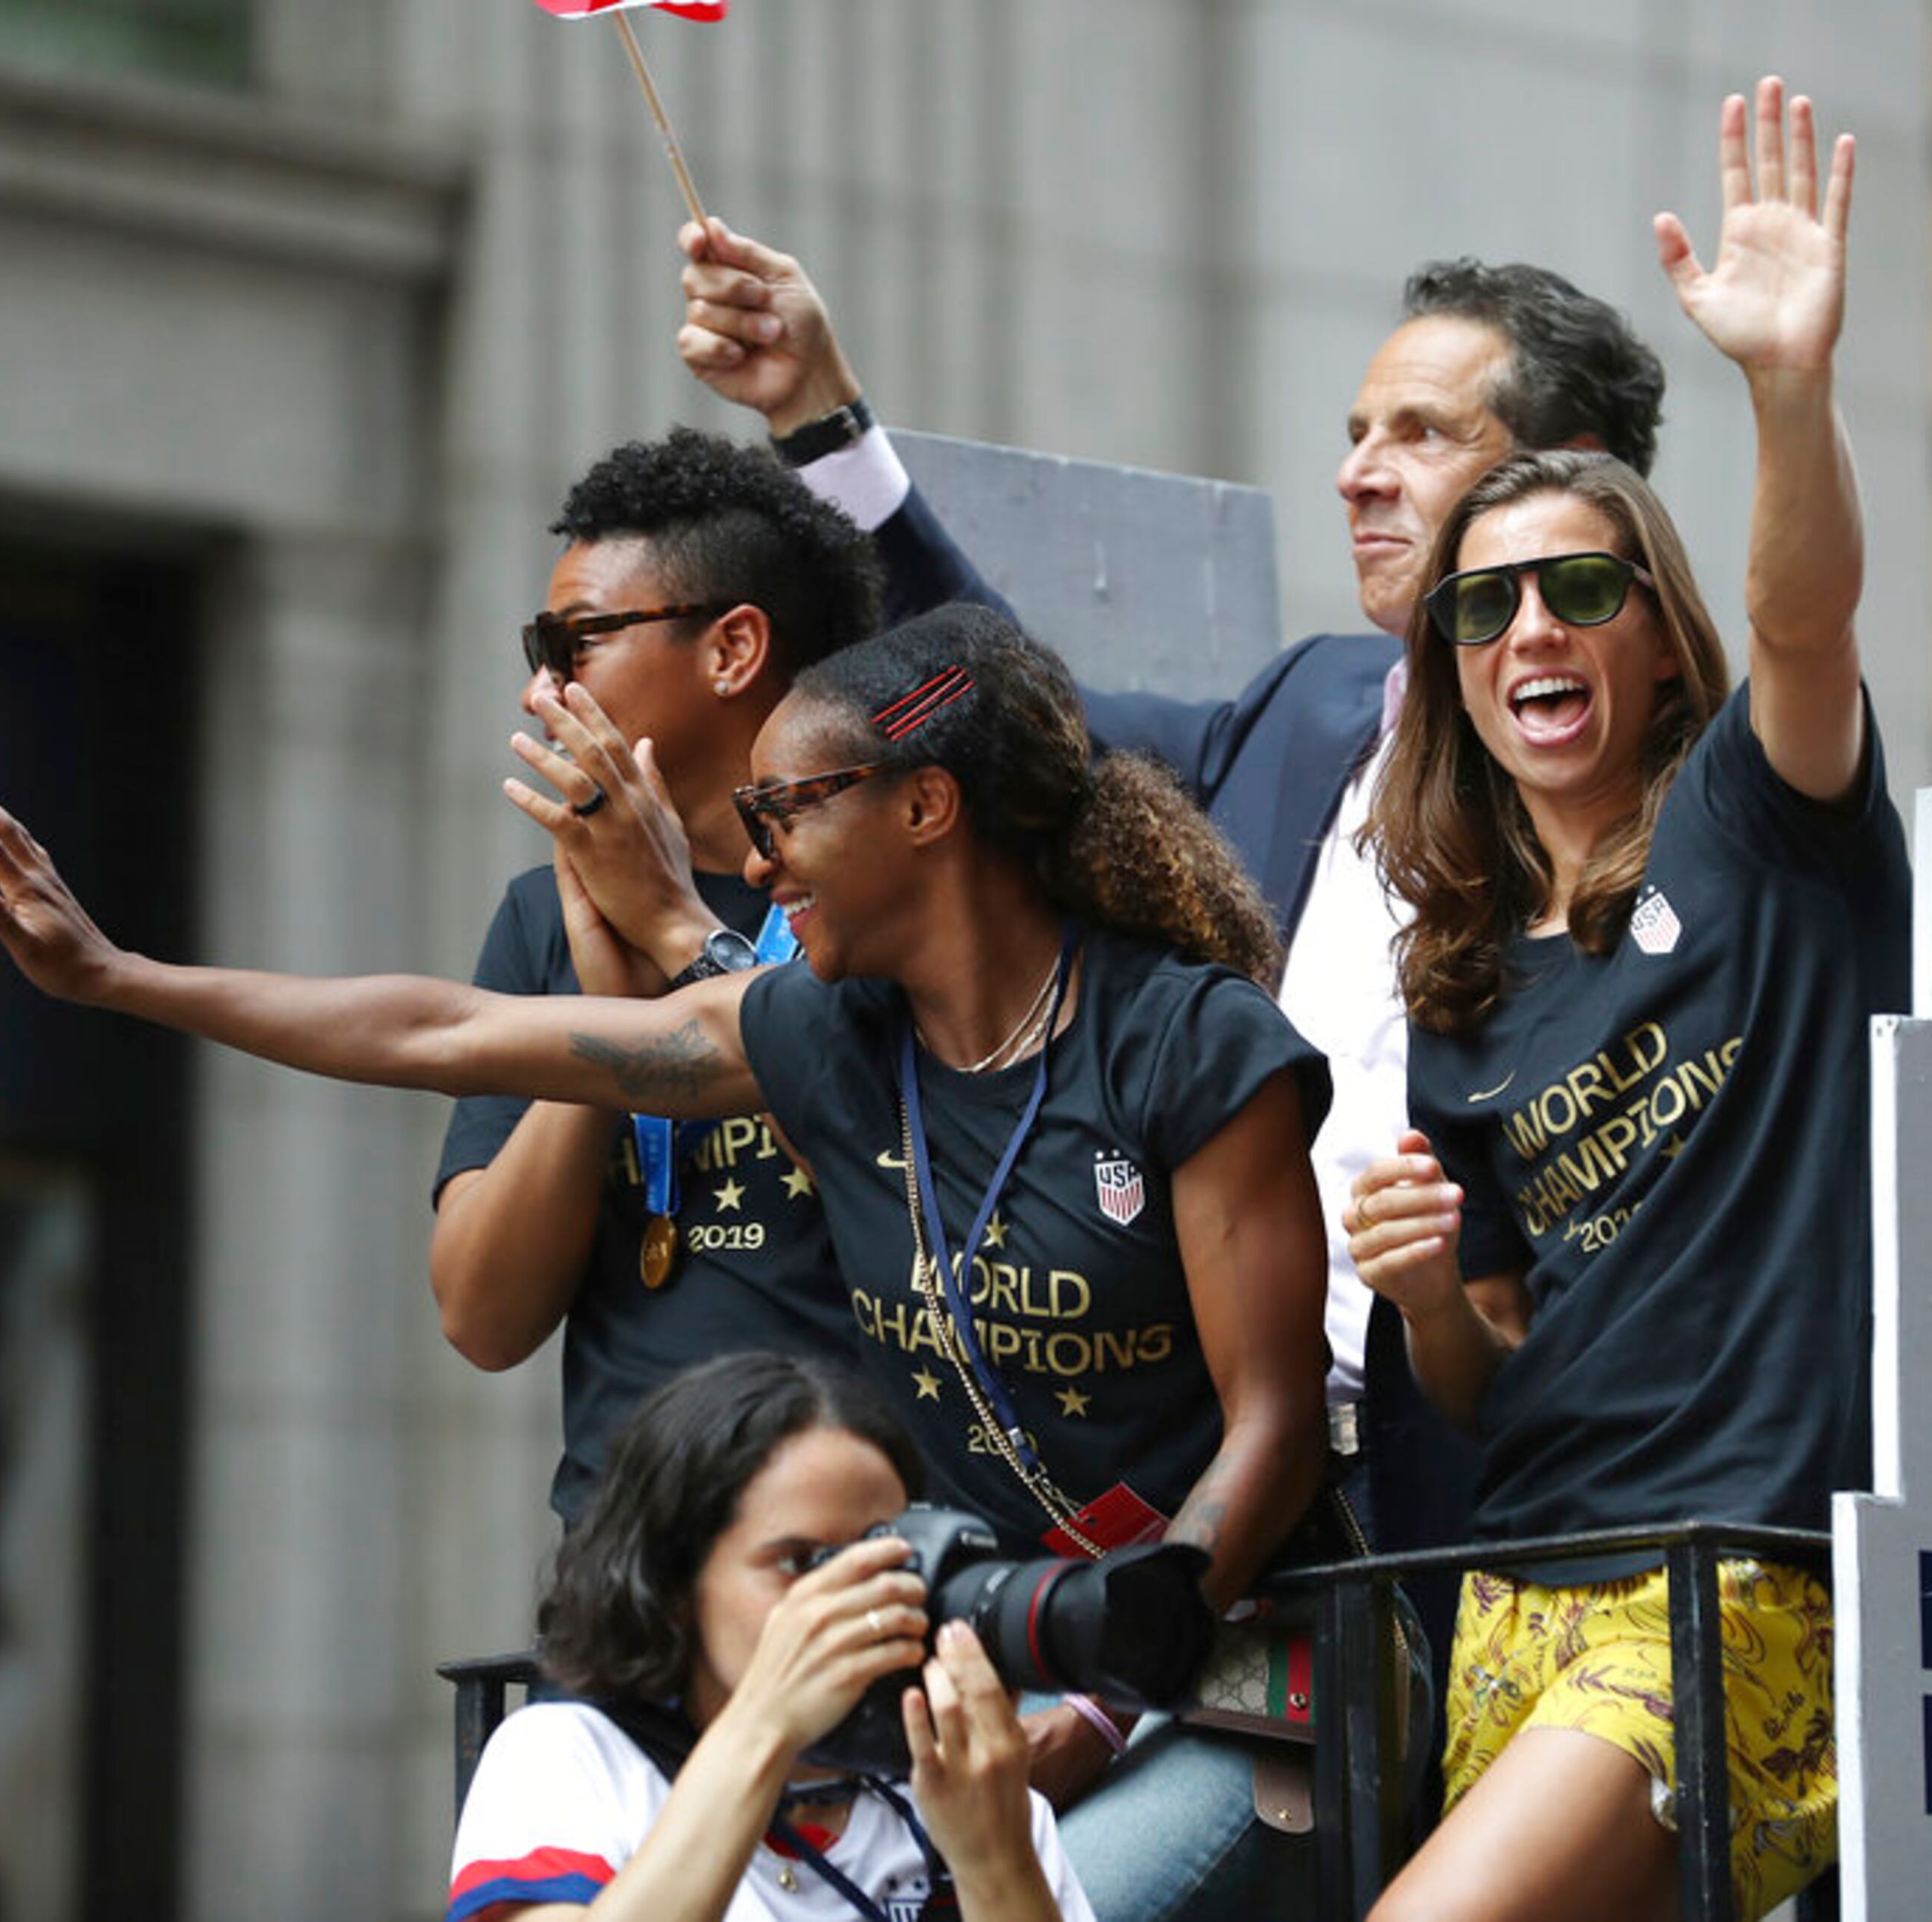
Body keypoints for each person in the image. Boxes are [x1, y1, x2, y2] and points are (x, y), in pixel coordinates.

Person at [0, 603, 1329, 1922]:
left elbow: (1274, 1425)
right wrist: (126, 980)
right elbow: (449, 1032)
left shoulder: (1188, 1045)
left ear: (925, 805)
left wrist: (1113, 1667)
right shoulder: (826, 1041)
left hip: (1227, 1666)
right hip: (982, 1640)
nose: (761, 857)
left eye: (787, 810)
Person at [666, 201, 1669, 1577]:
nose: (1358, 476)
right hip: (1236, 1488)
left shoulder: (1670, 818)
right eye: (1355, 434)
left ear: (1578, 484)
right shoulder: (1311, 706)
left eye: (1420, 435)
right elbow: (994, 707)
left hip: (1516, 1509)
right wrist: (821, 419)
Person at [1340, 81, 1903, 1922]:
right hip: (1517, 1586)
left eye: (1579, 589)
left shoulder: (1758, 822)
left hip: (1739, 1581)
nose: (1528, 634)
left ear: (1656, 629)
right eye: (1482, 610)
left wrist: (1784, 387)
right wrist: (1425, 1290)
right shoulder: (1461, 974)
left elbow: (1807, 617)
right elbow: (1481, 1371)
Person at [441, 427, 983, 1524]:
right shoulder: (543, 914)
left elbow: (943, 1234)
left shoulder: (893, 881)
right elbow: (482, 1317)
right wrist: (602, 1034)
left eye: (578, 637)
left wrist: (685, 940)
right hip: (623, 1564)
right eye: (537, 643)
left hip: (858, 1543)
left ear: (733, 650)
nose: (545, 681)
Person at [446, 1350, 1093, 1920]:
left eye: (885, 1556)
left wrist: (994, 1858)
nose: (851, 1597)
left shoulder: (974, 1792)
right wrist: (766, 1725)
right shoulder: (571, 1756)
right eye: (800, 1562)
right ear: (672, 1584)